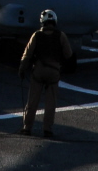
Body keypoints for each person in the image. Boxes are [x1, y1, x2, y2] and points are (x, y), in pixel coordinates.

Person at [18, 9, 73, 137]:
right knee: (50, 103)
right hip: (54, 72)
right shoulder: (61, 35)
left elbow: (27, 55)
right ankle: (47, 129)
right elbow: (68, 54)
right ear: (54, 21)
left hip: (38, 71)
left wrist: (22, 69)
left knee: (32, 101)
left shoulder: (36, 35)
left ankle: (27, 127)